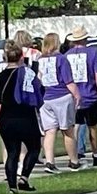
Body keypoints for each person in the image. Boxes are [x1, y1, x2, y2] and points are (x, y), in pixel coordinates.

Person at [0, 40, 43, 193]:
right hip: (26, 116)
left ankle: (12, 186)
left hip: (6, 118)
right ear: (21, 57)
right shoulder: (28, 73)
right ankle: (24, 177)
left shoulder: (0, 76)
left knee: (12, 152)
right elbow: (39, 92)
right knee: (34, 148)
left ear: (5, 58)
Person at [36, 32, 81, 173]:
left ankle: (50, 162)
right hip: (62, 96)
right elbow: (68, 80)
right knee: (67, 130)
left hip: (46, 98)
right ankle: (74, 161)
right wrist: (77, 95)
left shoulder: (40, 59)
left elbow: (38, 79)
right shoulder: (61, 59)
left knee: (50, 131)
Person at [65, 27, 97, 167]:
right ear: (85, 39)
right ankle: (96, 154)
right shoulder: (92, 52)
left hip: (73, 95)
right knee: (93, 126)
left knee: (75, 126)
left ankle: (75, 154)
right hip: (90, 94)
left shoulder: (67, 55)